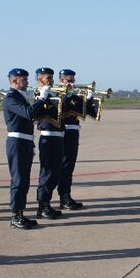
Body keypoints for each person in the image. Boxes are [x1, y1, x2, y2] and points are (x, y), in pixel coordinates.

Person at [2, 68, 51, 229]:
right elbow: (29, 113)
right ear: (14, 81)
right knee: (18, 180)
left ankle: (20, 213)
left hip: (25, 142)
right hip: (17, 143)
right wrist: (42, 97)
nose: (27, 82)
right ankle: (16, 215)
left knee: (23, 180)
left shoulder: (20, 97)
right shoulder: (10, 98)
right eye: (24, 79)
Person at [34, 67, 65, 219]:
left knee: (55, 172)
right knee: (47, 173)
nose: (51, 81)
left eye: (52, 78)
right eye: (48, 78)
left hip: (58, 136)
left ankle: (46, 203)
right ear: (39, 80)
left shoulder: (53, 94)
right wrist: (43, 95)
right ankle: (42, 204)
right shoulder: (39, 95)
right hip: (48, 137)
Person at [57, 68, 85, 210]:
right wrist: (69, 96)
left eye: (73, 80)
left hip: (73, 130)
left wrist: (87, 99)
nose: (72, 82)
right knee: (64, 165)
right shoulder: (56, 93)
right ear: (61, 80)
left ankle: (66, 195)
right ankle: (63, 197)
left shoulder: (74, 94)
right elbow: (60, 110)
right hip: (63, 131)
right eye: (69, 80)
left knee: (70, 165)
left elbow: (83, 112)